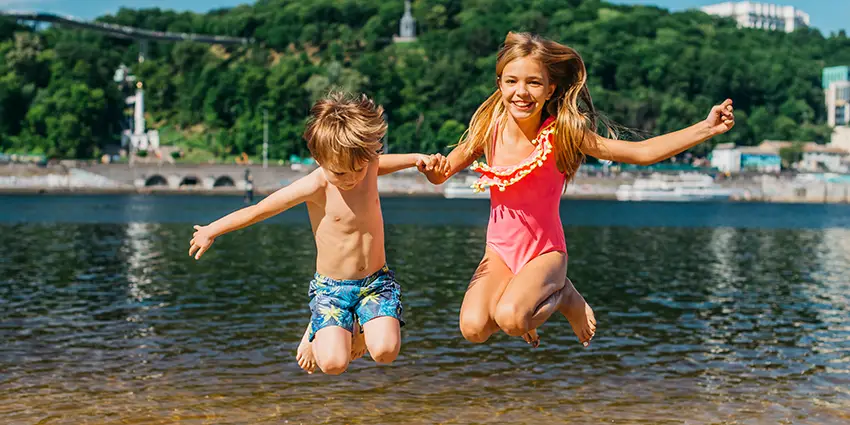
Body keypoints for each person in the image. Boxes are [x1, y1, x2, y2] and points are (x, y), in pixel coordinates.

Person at [424, 32, 735, 348]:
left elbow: (641, 153)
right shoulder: (488, 129)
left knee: (512, 319)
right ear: (500, 84)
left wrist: (706, 128)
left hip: (544, 253)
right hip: (499, 251)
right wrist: (435, 171)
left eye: (533, 82)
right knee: (473, 329)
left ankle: (563, 296)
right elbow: (443, 173)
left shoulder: (561, 133)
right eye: (511, 81)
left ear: (550, 89)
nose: (521, 92)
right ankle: (526, 309)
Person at [189, 91, 450, 375]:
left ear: (368, 156)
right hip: (332, 290)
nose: (350, 179)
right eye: (339, 173)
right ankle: (318, 326)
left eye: (358, 169)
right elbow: (260, 209)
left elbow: (383, 162)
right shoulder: (314, 185)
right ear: (317, 158)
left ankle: (356, 325)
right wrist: (212, 230)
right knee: (333, 364)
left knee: (385, 352)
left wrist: (416, 159)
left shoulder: (370, 165)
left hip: (376, 282)